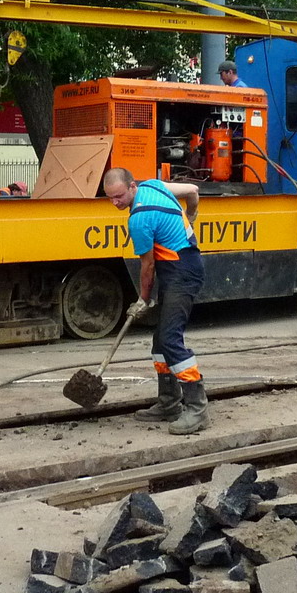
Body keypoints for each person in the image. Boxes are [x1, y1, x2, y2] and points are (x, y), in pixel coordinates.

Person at [102, 167, 209, 434]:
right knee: (160, 341)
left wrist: (143, 300)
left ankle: (197, 409)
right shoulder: (154, 185)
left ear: (132, 186)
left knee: (171, 339)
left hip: (181, 272)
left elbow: (147, 266)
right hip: (183, 266)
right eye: (110, 198)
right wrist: (192, 214)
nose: (115, 203)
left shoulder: (139, 218)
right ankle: (169, 403)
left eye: (119, 197)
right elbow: (193, 191)